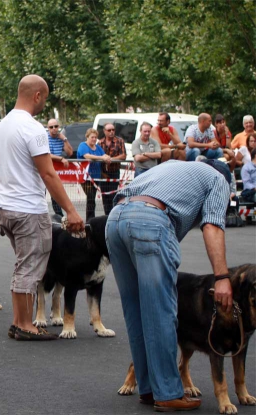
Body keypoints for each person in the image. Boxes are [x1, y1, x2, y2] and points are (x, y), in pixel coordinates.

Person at [106, 159, 233, 412]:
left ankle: (148, 388)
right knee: (161, 312)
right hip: (149, 219)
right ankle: (167, 393)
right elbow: (212, 225)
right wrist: (221, 278)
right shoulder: (218, 180)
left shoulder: (177, 167)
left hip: (115, 219)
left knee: (136, 311)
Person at [0, 75, 84, 340]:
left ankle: (18, 321)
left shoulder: (4, 125)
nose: (45, 103)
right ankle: (24, 324)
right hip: (27, 209)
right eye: (45, 98)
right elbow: (48, 174)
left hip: (7, 207)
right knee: (30, 267)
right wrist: (71, 210)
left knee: (23, 264)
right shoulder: (32, 128)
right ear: (37, 95)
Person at [78, 128, 111, 221]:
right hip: (86, 177)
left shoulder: (98, 147)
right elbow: (87, 156)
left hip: (96, 176)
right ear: (87, 137)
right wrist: (101, 157)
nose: (94, 139)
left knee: (92, 198)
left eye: (95, 137)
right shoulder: (83, 145)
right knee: (91, 198)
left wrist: (107, 157)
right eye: (92, 137)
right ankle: (90, 219)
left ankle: (91, 219)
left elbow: (104, 155)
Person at [47, 118, 73, 217]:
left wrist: (64, 139)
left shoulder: (61, 137)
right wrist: (61, 158)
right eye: (51, 127)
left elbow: (70, 153)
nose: (54, 129)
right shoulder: (45, 137)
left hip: (56, 171)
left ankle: (59, 216)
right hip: (45, 169)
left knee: (56, 193)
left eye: (56, 126)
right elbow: (46, 154)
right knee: (43, 193)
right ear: (48, 128)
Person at [98, 123, 126, 215]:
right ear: (104, 131)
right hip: (103, 172)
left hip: (114, 171)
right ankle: (107, 215)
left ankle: (113, 214)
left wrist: (110, 159)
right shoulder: (100, 142)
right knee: (105, 196)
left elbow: (123, 156)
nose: (111, 132)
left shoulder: (120, 141)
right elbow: (97, 156)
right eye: (109, 130)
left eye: (113, 130)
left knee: (113, 195)